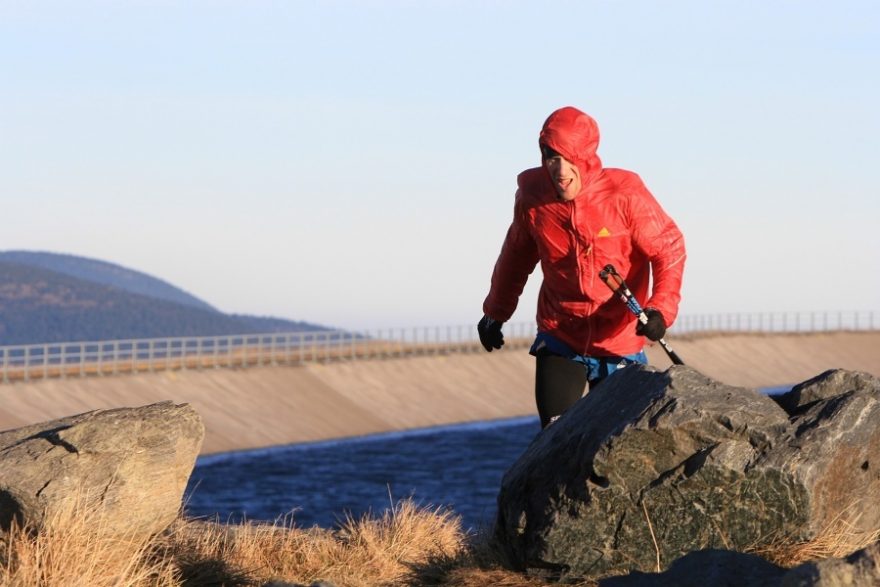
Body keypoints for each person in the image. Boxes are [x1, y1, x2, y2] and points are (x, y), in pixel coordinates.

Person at [478, 106, 686, 428]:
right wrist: (496, 311)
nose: (559, 170)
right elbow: (515, 256)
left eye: (568, 158)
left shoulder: (623, 194)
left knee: (611, 448)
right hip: (561, 333)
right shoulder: (534, 199)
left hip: (618, 341)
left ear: (586, 157)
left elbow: (669, 250)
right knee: (554, 440)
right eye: (551, 158)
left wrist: (660, 310)